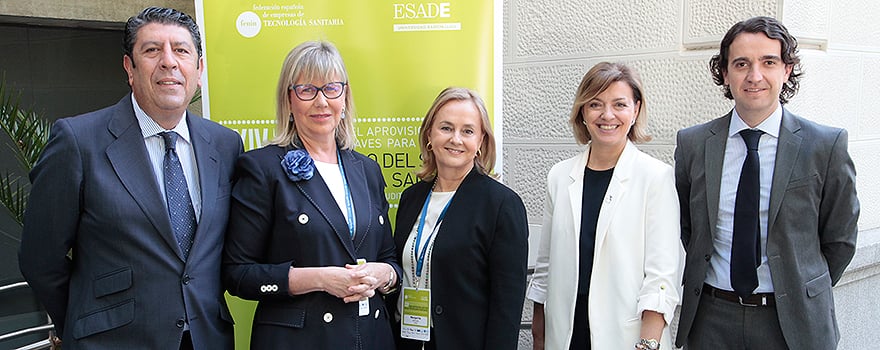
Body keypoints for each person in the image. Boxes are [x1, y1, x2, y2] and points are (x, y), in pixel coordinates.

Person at [18, 7, 242, 349]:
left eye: (181, 50)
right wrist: (83, 326)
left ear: (199, 69)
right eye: (152, 50)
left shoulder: (225, 145)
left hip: (205, 338)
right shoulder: (78, 141)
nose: (168, 62)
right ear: (130, 68)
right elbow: (40, 260)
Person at [674, 16, 859, 350]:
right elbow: (690, 228)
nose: (754, 75)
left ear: (786, 70)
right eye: (741, 63)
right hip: (711, 320)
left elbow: (841, 239)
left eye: (768, 62)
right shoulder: (694, 144)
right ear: (726, 73)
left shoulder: (824, 145)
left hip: (794, 323)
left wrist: (801, 288)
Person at [221, 40, 400, 349]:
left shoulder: (367, 170)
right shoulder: (262, 168)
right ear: (289, 101)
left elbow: (389, 259)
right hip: (300, 340)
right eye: (307, 89)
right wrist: (320, 279)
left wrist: (384, 275)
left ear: (344, 97)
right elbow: (238, 274)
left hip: (370, 338)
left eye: (331, 88)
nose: (321, 102)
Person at [527, 62, 681, 350]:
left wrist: (647, 345)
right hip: (567, 335)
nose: (607, 115)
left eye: (619, 104)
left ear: (635, 110)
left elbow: (661, 278)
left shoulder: (655, 177)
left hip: (628, 338)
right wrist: (539, 338)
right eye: (595, 104)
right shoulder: (560, 176)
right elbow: (545, 269)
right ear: (582, 113)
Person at [389, 87, 528, 349]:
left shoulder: (501, 205)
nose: (456, 139)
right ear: (429, 134)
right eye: (446, 128)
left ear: (481, 142)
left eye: (467, 131)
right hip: (406, 340)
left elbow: (506, 308)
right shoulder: (411, 198)